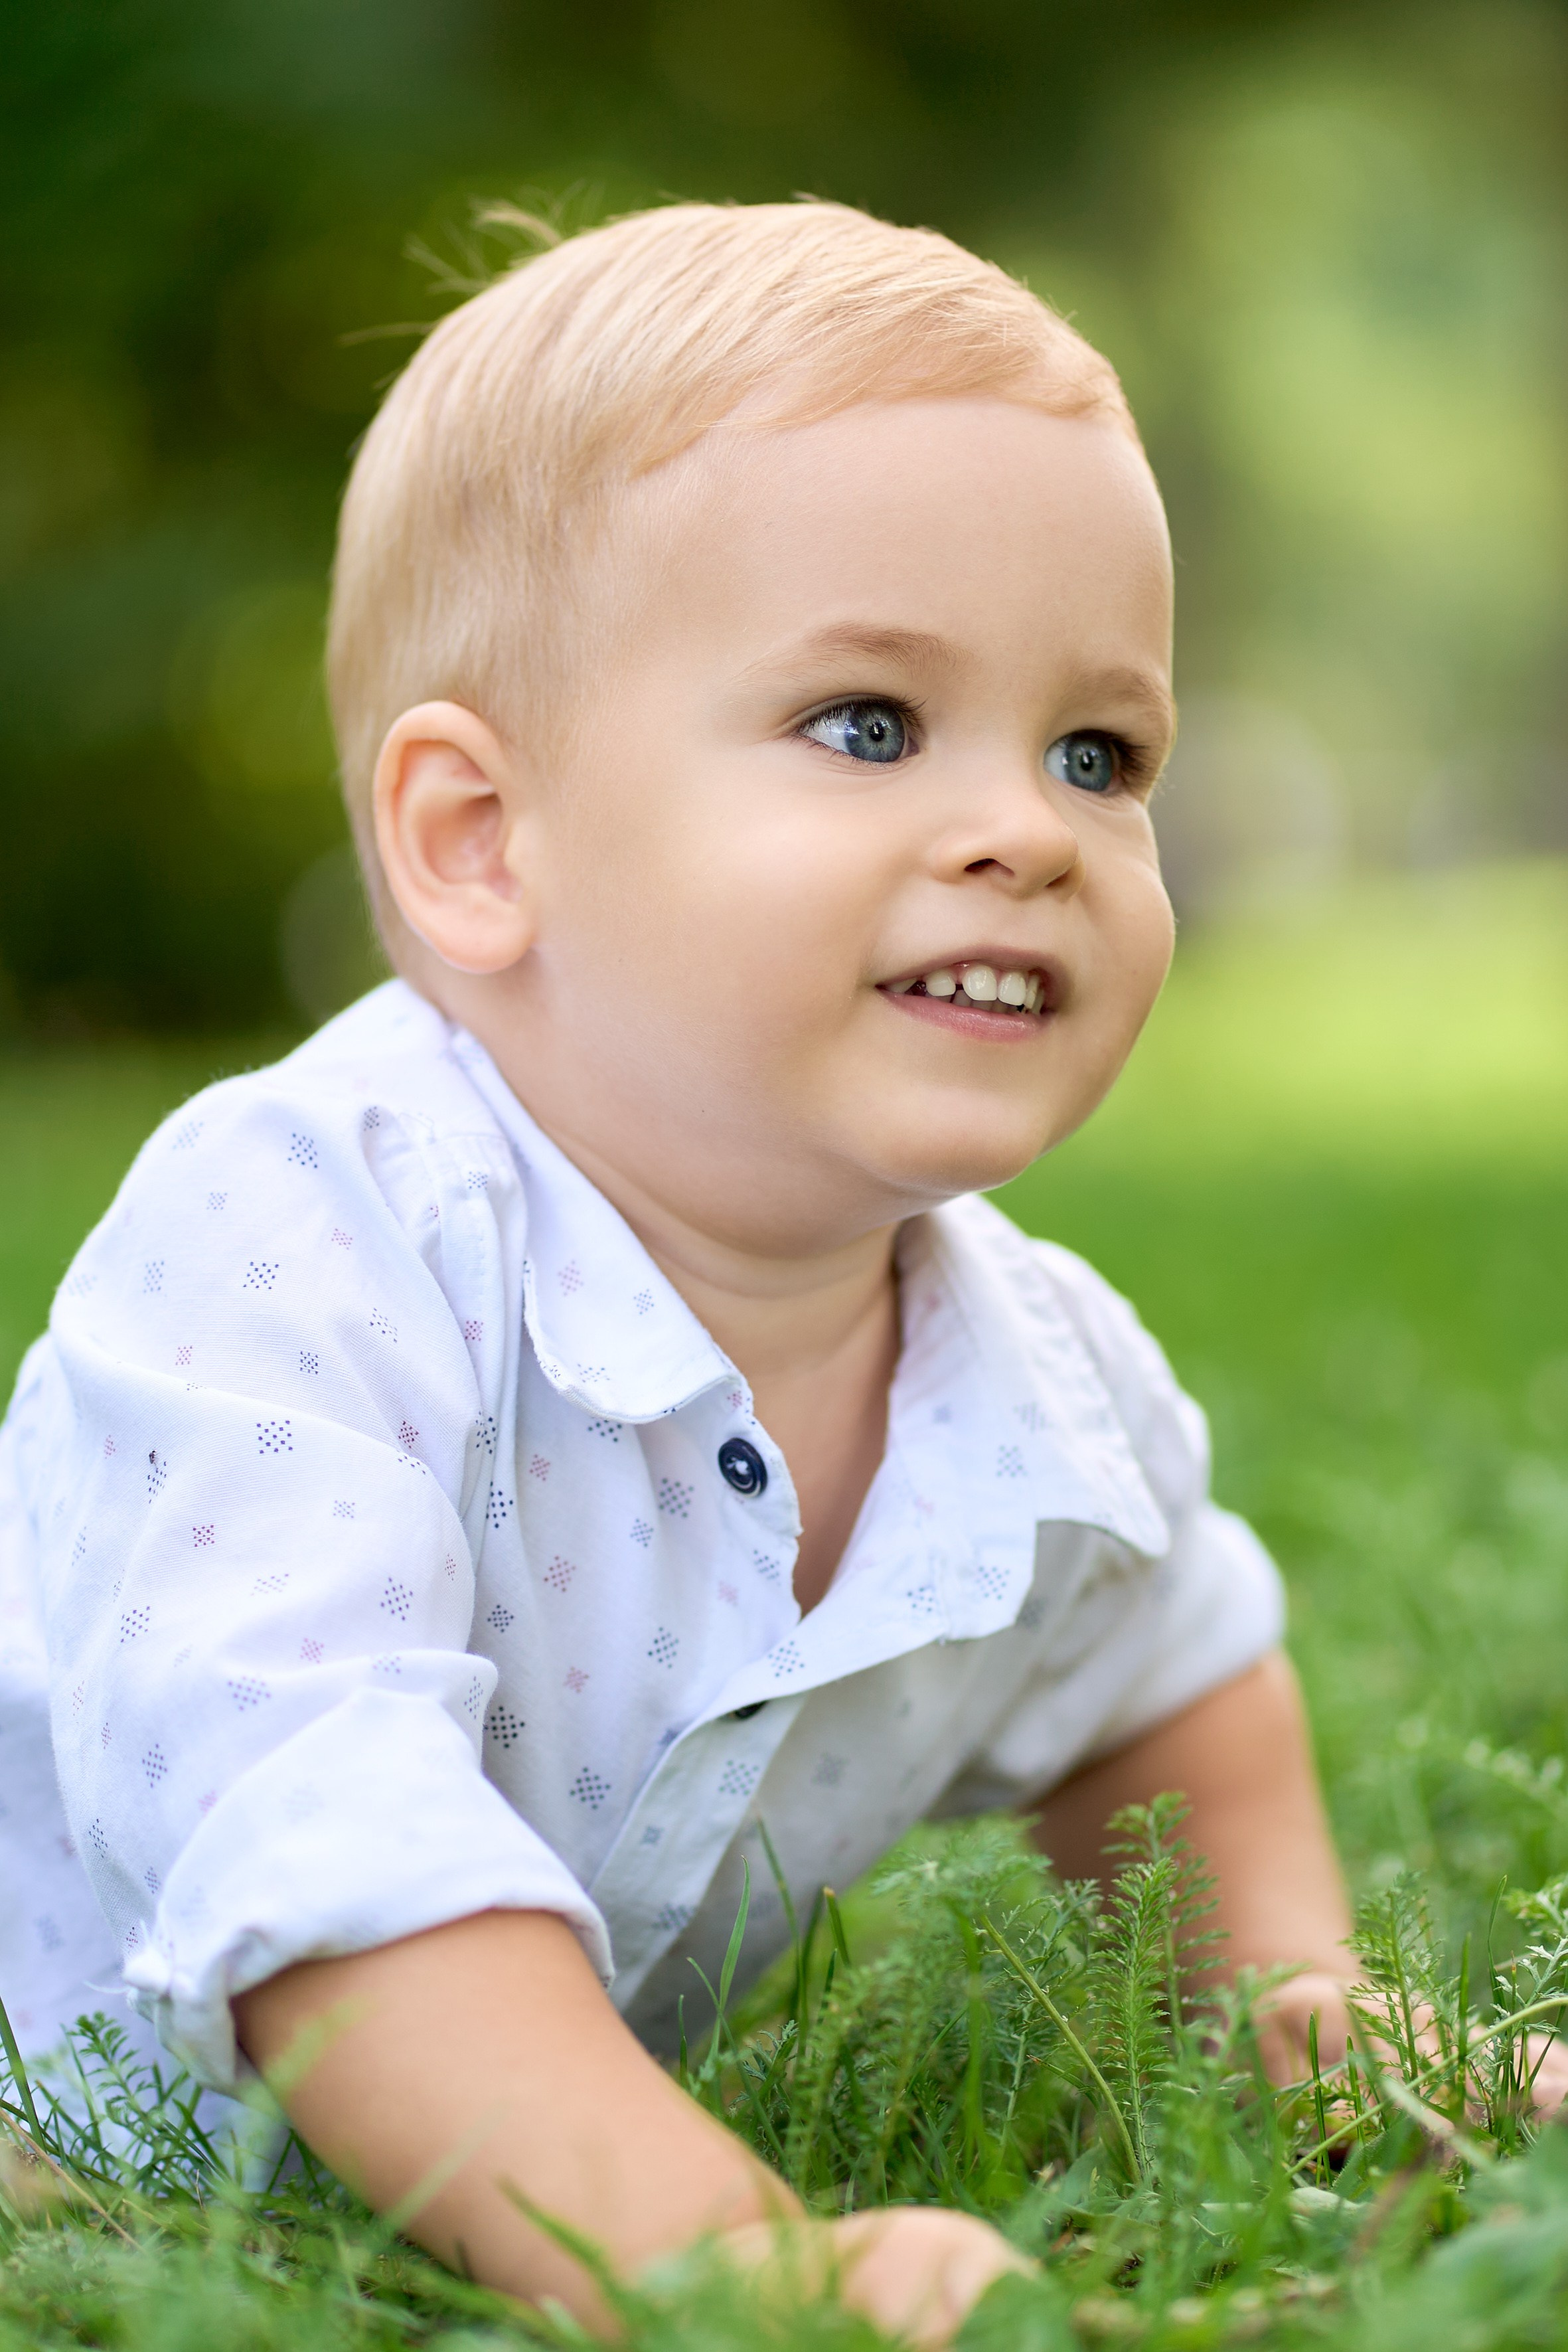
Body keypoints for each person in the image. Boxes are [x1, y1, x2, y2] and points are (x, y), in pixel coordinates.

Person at [1, 201, 1368, 2341]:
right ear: (479, 841)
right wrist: (719, 2258)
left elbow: (1164, 1662)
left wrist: (1290, 2022)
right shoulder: (299, 1242)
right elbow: (316, 1834)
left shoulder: (1036, 1375)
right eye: (865, 724)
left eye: (1098, 753)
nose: (1027, 827)